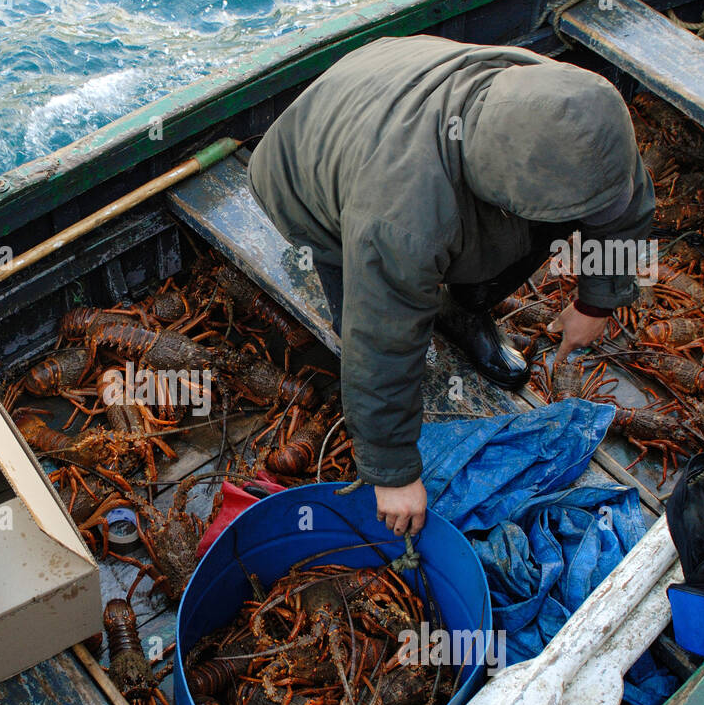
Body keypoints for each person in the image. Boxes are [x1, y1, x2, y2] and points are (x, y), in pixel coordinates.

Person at [248, 35, 655, 538]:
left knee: (532, 228)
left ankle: (463, 307)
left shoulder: (571, 106)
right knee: (369, 318)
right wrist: (392, 472)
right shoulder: (400, 214)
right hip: (304, 175)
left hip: (399, 77)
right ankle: (373, 401)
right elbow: (381, 338)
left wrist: (598, 299)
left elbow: (625, 200)